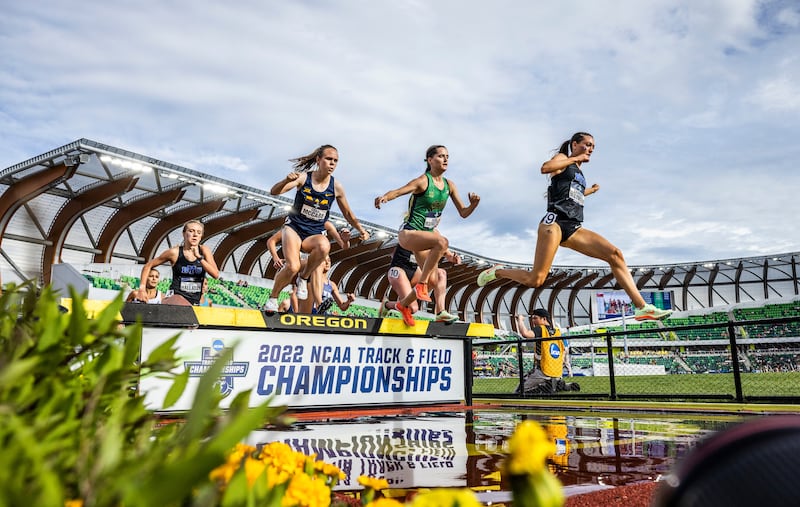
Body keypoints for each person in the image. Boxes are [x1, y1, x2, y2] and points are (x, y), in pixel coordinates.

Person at [477, 132, 672, 321]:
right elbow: (545, 168)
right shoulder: (563, 158)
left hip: (573, 227)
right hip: (554, 223)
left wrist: (591, 191)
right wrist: (573, 159)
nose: (590, 149)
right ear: (574, 144)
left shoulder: (579, 172)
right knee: (536, 280)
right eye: (587, 144)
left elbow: (572, 192)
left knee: (615, 254)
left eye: (593, 146)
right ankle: (497, 271)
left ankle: (641, 307)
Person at [375, 145, 480, 325]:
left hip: (425, 239)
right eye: (440, 156)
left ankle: (426, 309)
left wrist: (473, 205)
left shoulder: (449, 185)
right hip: (409, 234)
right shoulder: (423, 181)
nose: (445, 159)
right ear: (430, 160)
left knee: (438, 276)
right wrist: (385, 197)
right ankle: (422, 285)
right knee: (441, 241)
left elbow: (463, 213)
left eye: (447, 156)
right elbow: (400, 190)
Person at [263, 145, 369, 312]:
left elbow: (348, 213)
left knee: (325, 246)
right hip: (294, 228)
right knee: (293, 267)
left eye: (335, 161)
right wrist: (286, 180)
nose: (332, 163)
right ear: (318, 160)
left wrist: (361, 230)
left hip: (313, 233)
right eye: (329, 159)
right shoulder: (303, 178)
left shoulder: (336, 187)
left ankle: (304, 278)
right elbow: (274, 192)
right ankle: (273, 297)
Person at [266, 221, 350, 313]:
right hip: (297, 264)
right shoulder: (295, 225)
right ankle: (274, 298)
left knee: (305, 312)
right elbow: (271, 240)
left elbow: (344, 246)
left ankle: (315, 306)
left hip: (309, 272)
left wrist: (345, 241)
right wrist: (275, 258)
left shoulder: (325, 225)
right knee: (318, 264)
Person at [137, 220, 219, 306]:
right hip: (175, 298)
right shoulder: (174, 252)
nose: (195, 235)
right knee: (180, 303)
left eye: (199, 233)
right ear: (184, 234)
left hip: (194, 300)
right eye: (191, 231)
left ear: (201, 236)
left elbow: (215, 274)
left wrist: (199, 257)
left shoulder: (204, 251)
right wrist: (142, 289)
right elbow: (148, 266)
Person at [378, 245, 459, 323]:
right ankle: (387, 305)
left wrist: (451, 257)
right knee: (413, 309)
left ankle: (440, 312)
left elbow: (445, 251)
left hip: (415, 272)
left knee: (441, 273)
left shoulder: (433, 236)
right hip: (399, 272)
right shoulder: (411, 233)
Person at [514, 309, 579, 394]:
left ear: (544, 319)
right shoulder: (557, 332)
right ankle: (558, 384)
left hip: (543, 371)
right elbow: (562, 351)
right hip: (556, 371)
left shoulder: (540, 329)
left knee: (518, 392)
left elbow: (525, 334)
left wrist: (520, 320)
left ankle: (546, 388)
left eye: (535, 318)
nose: (533, 321)